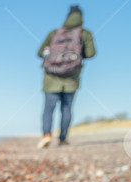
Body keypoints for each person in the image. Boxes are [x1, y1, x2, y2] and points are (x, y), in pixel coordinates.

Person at [37, 5, 96, 149]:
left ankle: (46, 135)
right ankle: (63, 139)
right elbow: (91, 53)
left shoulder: (55, 33)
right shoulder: (85, 34)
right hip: (71, 78)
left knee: (48, 108)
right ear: (81, 17)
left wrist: (54, 58)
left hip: (51, 78)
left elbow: (40, 53)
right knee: (66, 108)